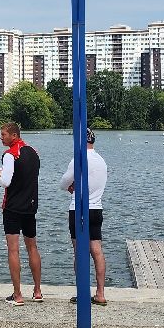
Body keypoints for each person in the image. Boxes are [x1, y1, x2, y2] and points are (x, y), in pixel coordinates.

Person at [60, 128, 109, 305]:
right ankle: (101, 293)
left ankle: (82, 292)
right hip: (97, 208)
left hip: (79, 208)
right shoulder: (101, 161)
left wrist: (71, 185)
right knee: (97, 250)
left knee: (79, 252)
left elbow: (63, 183)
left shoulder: (78, 158)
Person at [0, 122, 41, 305]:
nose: (1, 137)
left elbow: (6, 182)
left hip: (13, 208)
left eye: (3, 134)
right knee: (32, 247)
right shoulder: (33, 152)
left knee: (13, 250)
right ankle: (37, 291)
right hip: (30, 207)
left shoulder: (9, 155)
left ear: (14, 135)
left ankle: (18, 295)